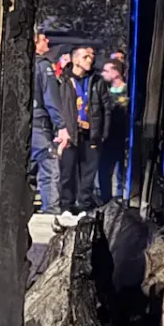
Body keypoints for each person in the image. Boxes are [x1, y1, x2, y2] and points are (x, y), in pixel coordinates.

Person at [57, 46, 109, 221]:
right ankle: (66, 205)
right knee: (67, 172)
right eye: (86, 57)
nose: (90, 60)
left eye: (92, 57)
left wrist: (103, 132)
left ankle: (83, 206)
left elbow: (105, 108)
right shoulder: (63, 80)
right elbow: (58, 106)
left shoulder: (96, 81)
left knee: (88, 172)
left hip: (91, 132)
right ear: (76, 60)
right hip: (71, 132)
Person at [30, 30, 67, 214]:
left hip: (19, 126)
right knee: (49, 170)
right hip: (39, 125)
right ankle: (50, 212)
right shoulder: (43, 66)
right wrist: (61, 126)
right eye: (44, 39)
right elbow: (50, 97)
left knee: (25, 171)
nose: (48, 41)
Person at [98, 59, 128, 201]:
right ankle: (105, 199)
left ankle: (122, 198)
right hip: (107, 136)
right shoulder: (103, 91)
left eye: (107, 70)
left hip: (123, 136)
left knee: (122, 170)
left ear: (116, 72)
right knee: (104, 170)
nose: (103, 74)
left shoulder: (128, 92)